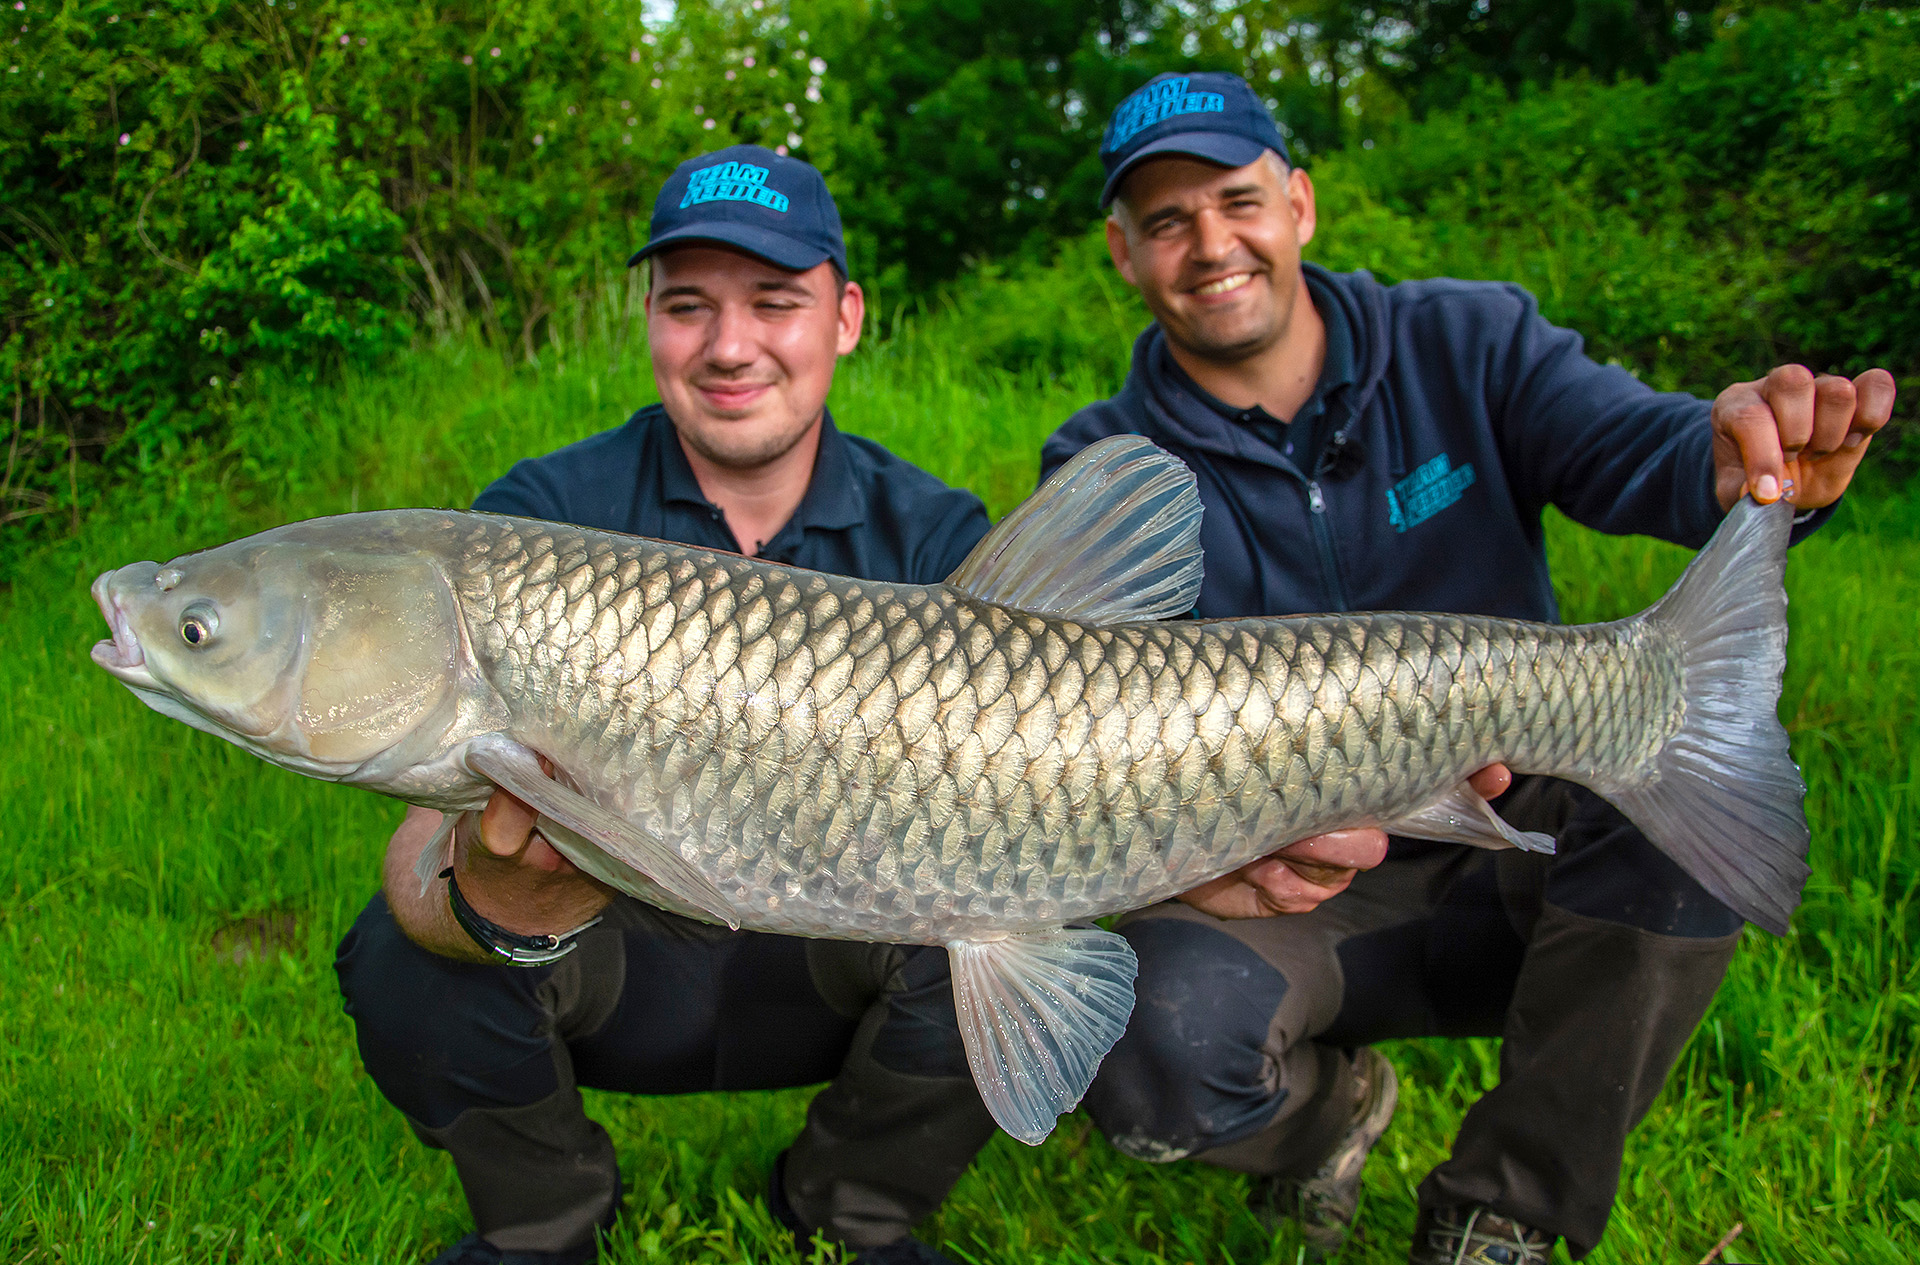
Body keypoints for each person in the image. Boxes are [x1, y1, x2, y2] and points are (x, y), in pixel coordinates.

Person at [1041, 72, 1896, 1265]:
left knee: (1660, 815)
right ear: (1122, 253)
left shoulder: (1465, 342)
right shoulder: (1104, 463)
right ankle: (1331, 1119)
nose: (1211, 243)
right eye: (1167, 221)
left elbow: (1638, 447)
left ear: (1299, 202)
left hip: (1522, 831)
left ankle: (1505, 1209)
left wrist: (1736, 463)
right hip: (1299, 875)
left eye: (1236, 199)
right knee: (1144, 1043)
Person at [333, 145, 1000, 1265]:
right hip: (618, 949)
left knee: (1020, 911)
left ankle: (854, 1207)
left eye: (775, 303)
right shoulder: (541, 520)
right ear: (648, 316)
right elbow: (420, 842)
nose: (728, 347)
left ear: (845, 316)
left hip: (839, 955)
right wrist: (489, 900)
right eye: (688, 305)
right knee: (404, 951)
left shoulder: (933, 536)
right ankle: (542, 1225)